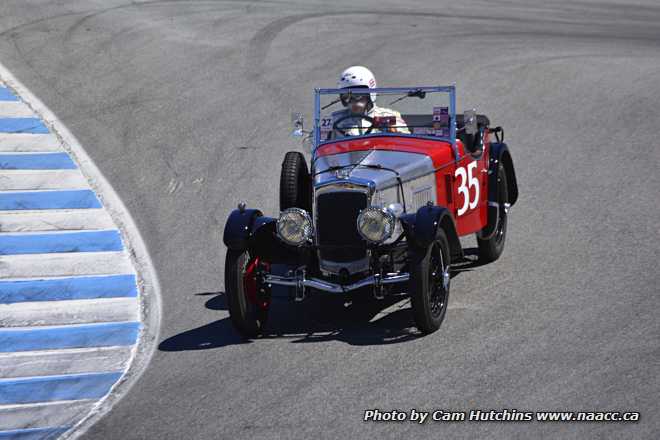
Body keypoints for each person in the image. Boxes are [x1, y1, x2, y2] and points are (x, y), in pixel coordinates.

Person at [329, 66, 409, 139]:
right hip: (345, 154)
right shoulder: (334, 119)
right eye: (346, 96)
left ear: (370, 93)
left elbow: (407, 141)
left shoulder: (389, 116)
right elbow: (321, 146)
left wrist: (395, 133)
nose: (352, 100)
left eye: (357, 95)